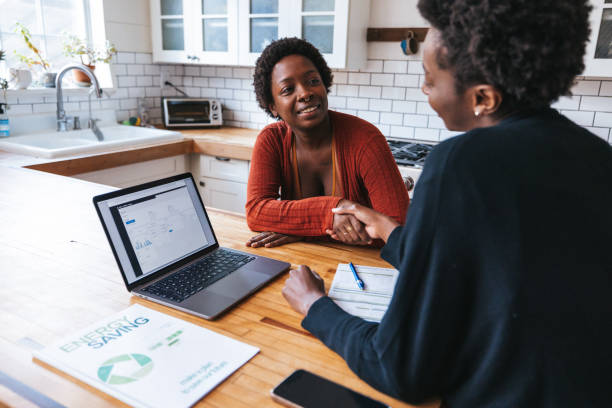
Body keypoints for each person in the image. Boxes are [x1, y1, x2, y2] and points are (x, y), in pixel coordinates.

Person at [282, 0, 612, 406]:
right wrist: (392, 233)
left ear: (484, 97)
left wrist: (314, 306)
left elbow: (401, 370)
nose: (424, 89)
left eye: (429, 78)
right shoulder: (598, 158)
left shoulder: (460, 163)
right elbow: (503, 270)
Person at [245, 38, 409, 248]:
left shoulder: (366, 140)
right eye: (288, 89)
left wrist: (301, 228)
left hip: (366, 267)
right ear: (273, 106)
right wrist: (331, 213)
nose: (305, 93)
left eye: (313, 81)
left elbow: (398, 230)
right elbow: (256, 212)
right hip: (303, 262)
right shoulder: (271, 140)